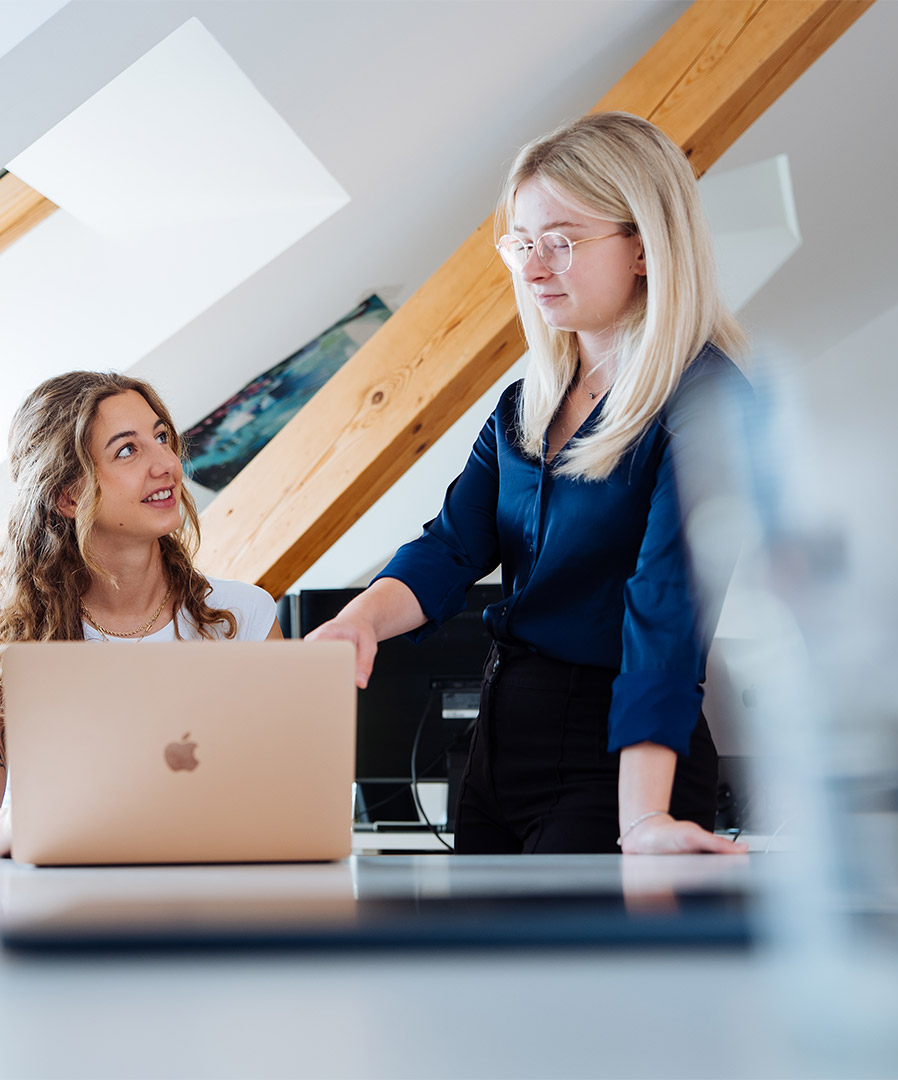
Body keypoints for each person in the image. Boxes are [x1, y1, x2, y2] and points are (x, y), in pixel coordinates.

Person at [307, 112, 750, 855]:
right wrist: (361, 621)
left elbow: (667, 611)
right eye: (522, 244)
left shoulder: (708, 403)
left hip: (617, 761)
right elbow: (452, 546)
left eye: (562, 242)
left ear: (645, 247)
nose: (534, 268)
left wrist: (642, 817)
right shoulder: (527, 404)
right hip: (500, 746)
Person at [0, 371, 280, 858]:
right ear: (68, 495)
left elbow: (290, 795)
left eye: (161, 437)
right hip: (58, 896)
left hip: (216, 889)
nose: (167, 465)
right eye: (127, 450)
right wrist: (16, 826)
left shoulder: (244, 617)